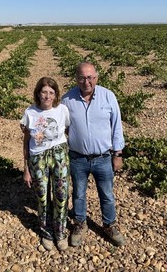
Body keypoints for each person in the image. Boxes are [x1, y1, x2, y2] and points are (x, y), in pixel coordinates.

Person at [62, 61, 126, 247]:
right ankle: (79, 223)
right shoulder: (67, 100)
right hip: (78, 158)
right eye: (82, 77)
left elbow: (116, 126)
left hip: (103, 158)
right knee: (79, 194)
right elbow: (61, 127)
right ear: (76, 79)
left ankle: (109, 225)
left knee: (106, 194)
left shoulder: (108, 96)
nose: (86, 81)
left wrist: (118, 153)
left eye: (90, 77)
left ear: (96, 78)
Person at [20, 77, 70, 251]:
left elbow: (67, 131)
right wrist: (26, 168)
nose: (47, 96)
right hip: (37, 158)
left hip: (59, 156)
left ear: (55, 95)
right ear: (38, 93)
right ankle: (46, 231)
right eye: (44, 92)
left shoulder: (62, 110)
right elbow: (26, 141)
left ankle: (61, 232)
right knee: (42, 196)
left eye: (51, 92)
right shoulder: (29, 113)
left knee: (61, 195)